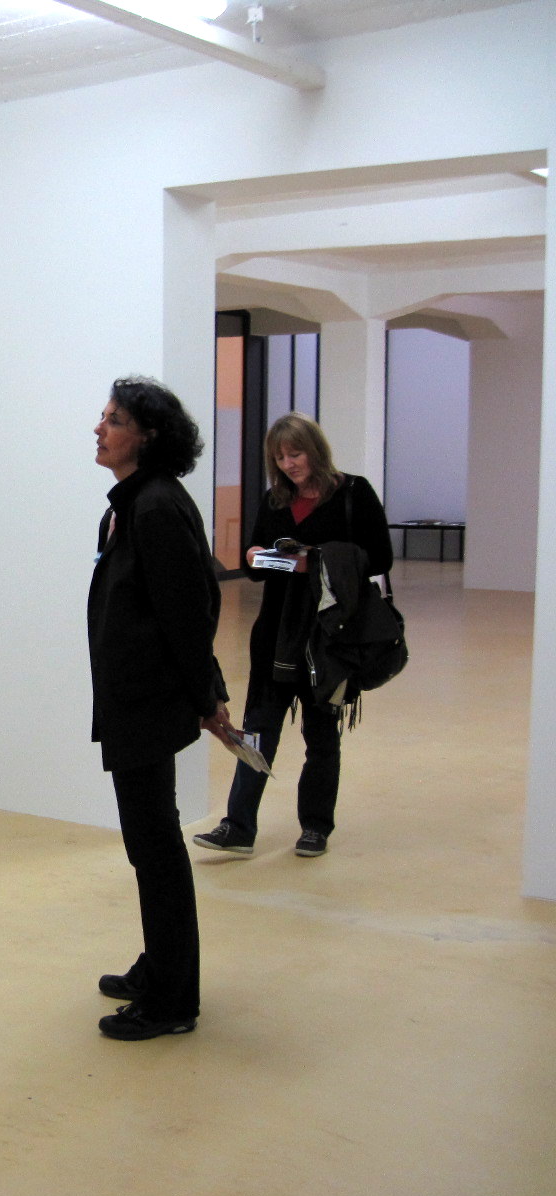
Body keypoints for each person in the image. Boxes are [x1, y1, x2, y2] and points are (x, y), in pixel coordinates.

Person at [88, 376, 232, 1041]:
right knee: (149, 846)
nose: (99, 429)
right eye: (104, 417)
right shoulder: (132, 504)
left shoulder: (155, 508)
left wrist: (207, 697)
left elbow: (190, 612)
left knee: (156, 847)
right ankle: (161, 965)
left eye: (114, 420)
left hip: (148, 700)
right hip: (132, 697)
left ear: (147, 437)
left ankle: (173, 1000)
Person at [192, 412, 393, 859]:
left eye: (296, 454)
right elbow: (256, 568)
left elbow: (380, 557)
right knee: (258, 729)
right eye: (280, 458)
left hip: (329, 636)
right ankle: (238, 826)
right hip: (276, 633)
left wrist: (316, 561)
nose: (289, 464)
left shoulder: (354, 493)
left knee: (321, 735)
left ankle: (316, 827)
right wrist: (253, 555)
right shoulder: (275, 499)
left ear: (315, 450)